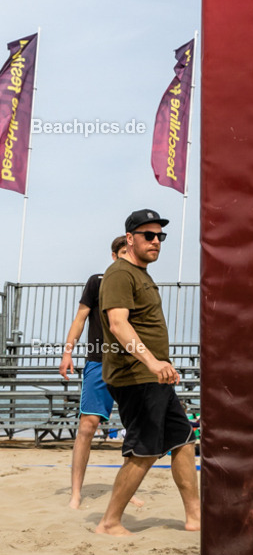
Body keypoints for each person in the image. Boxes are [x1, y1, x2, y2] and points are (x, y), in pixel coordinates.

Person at [94, 209, 200, 536]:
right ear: (130, 239)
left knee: (183, 440)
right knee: (144, 451)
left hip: (154, 378)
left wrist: (159, 368)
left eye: (160, 237)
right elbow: (117, 323)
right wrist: (153, 362)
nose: (156, 242)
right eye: (148, 236)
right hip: (136, 377)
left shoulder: (142, 274)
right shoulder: (119, 274)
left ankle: (196, 517)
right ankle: (109, 522)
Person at [59, 236, 142, 510]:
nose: (125, 257)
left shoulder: (140, 284)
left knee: (135, 429)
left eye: (128, 253)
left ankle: (127, 492)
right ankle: (75, 494)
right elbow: (80, 318)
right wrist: (67, 352)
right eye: (121, 253)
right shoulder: (97, 281)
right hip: (99, 362)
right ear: (114, 256)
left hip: (130, 364)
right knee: (87, 426)